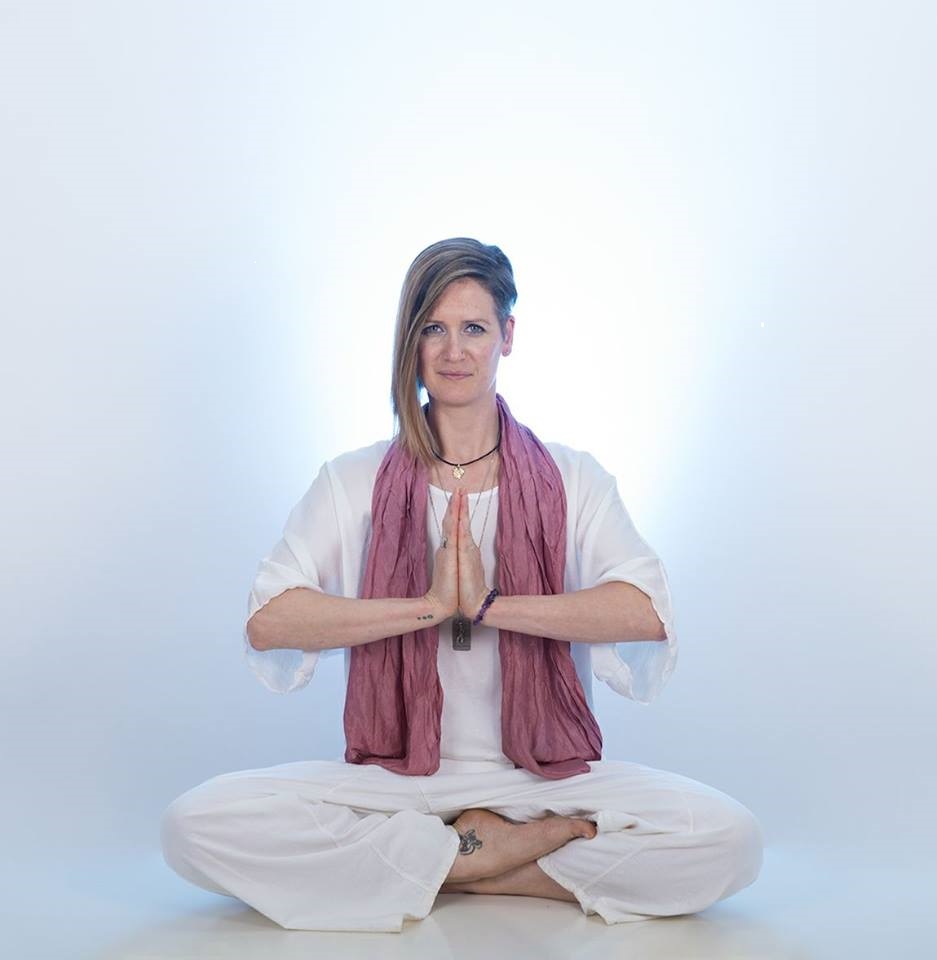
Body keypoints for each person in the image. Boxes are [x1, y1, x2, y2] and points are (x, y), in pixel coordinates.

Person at [159, 237, 764, 933]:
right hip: (397, 780)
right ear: (410, 342)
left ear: (507, 335)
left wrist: (488, 606)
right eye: (433, 329)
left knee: (729, 838)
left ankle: (446, 863)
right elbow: (270, 620)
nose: (454, 351)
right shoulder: (353, 480)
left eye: (474, 328)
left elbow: (644, 610)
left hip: (541, 778)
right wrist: (427, 607)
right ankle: (495, 859)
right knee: (194, 824)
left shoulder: (574, 478)